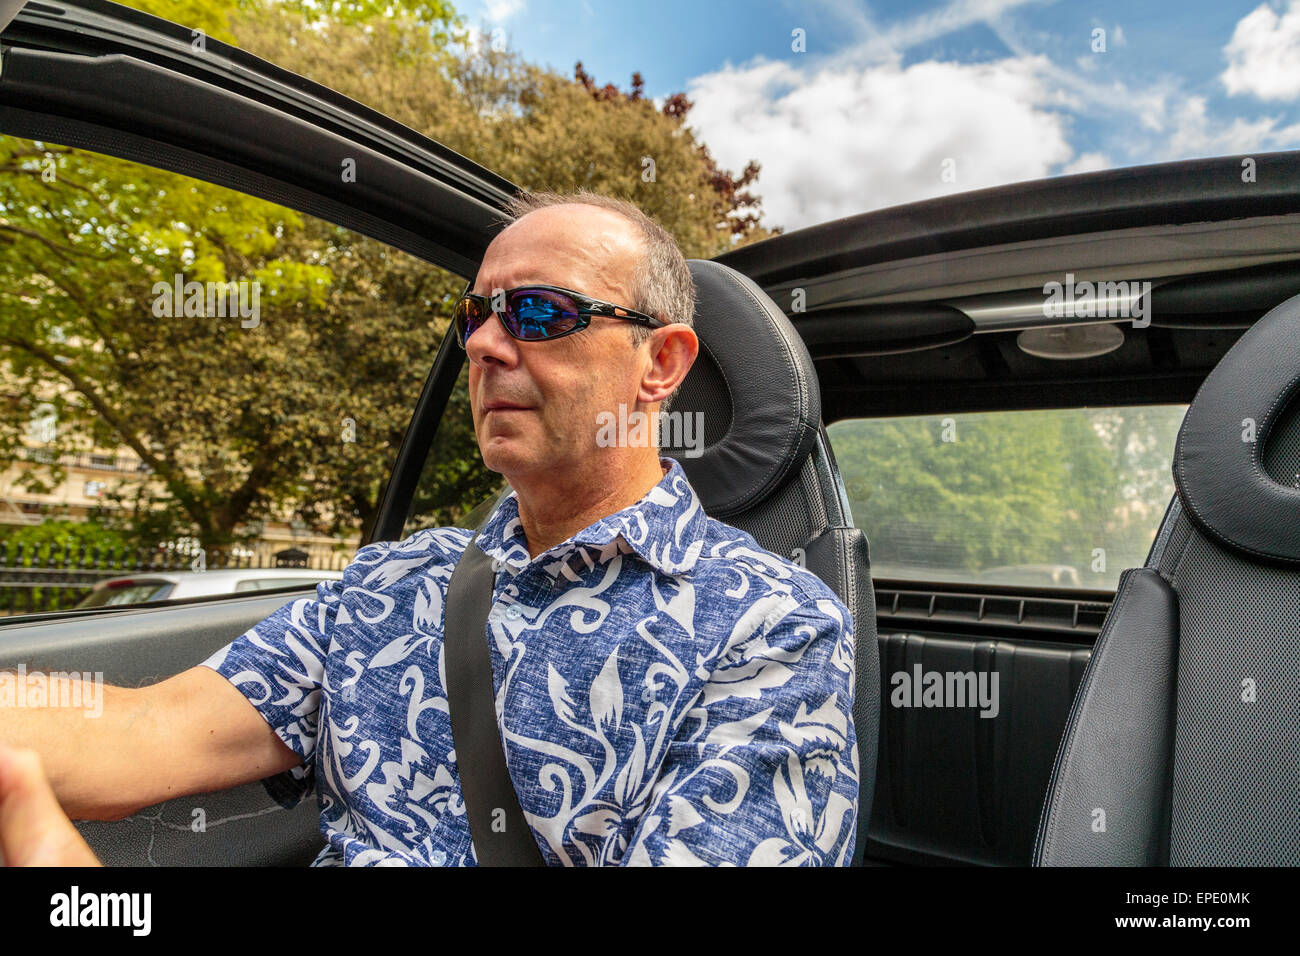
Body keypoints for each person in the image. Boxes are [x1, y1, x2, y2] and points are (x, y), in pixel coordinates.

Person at [0, 191, 858, 866]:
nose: (483, 345)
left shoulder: (768, 626)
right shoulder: (388, 586)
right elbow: (141, 732)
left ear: (660, 363)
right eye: (474, 315)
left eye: (536, 314)